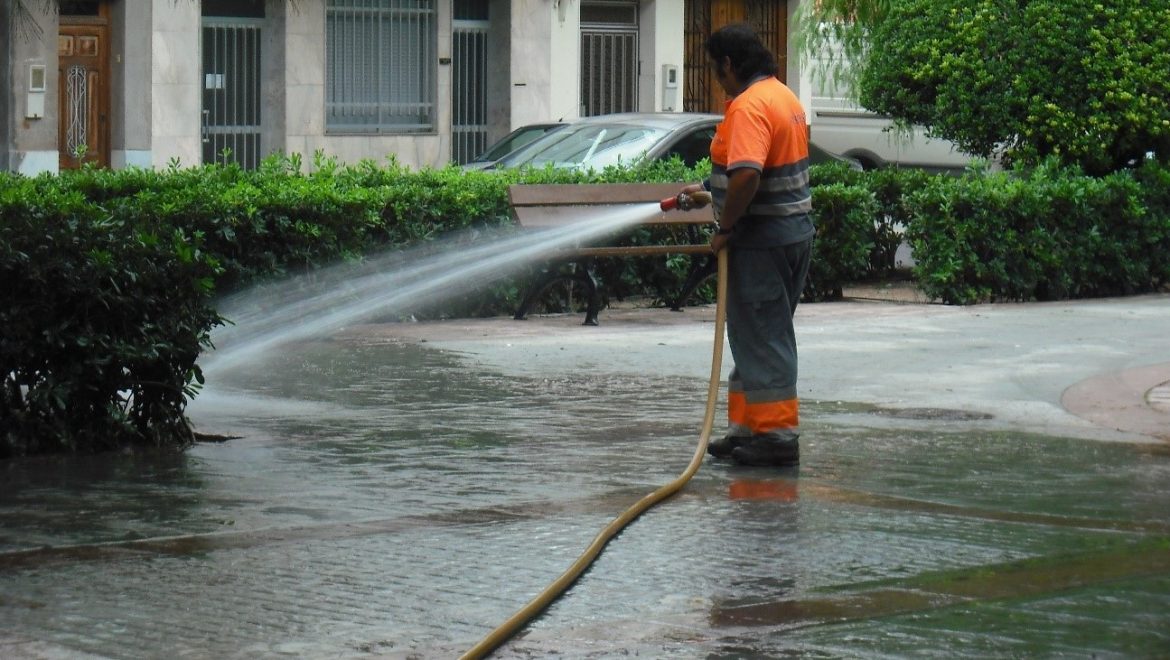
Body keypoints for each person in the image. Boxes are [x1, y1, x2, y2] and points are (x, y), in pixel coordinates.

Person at [676, 22, 813, 467]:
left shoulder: (749, 106)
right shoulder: (782, 97)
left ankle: (776, 438)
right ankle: (747, 429)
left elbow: (749, 175)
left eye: (716, 71)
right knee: (755, 336)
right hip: (791, 234)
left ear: (729, 64)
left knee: (765, 337)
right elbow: (760, 169)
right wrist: (709, 191)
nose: (718, 81)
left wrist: (726, 226)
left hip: (760, 242)